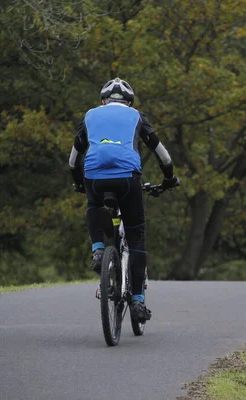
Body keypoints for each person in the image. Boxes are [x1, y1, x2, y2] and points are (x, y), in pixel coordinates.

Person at [69, 77, 179, 322]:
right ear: (129, 102)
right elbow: (163, 154)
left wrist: (79, 184)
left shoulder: (89, 116)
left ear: (103, 101)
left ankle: (98, 249)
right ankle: (138, 300)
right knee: (136, 237)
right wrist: (169, 178)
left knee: (94, 204)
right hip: (128, 178)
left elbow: (73, 160)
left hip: (94, 176)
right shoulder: (137, 116)